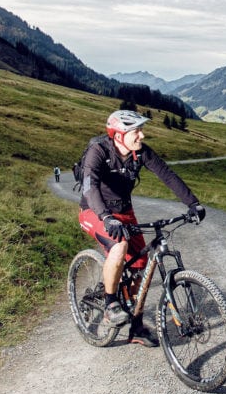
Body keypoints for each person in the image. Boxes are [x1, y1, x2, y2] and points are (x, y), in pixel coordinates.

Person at [77, 110, 205, 347]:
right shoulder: (99, 151)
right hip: (95, 211)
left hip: (124, 212)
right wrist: (106, 217)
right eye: (136, 131)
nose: (141, 135)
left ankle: (136, 326)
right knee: (119, 245)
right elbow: (89, 187)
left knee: (140, 265)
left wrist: (192, 203)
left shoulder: (140, 153)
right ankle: (110, 303)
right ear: (118, 135)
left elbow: (167, 174)